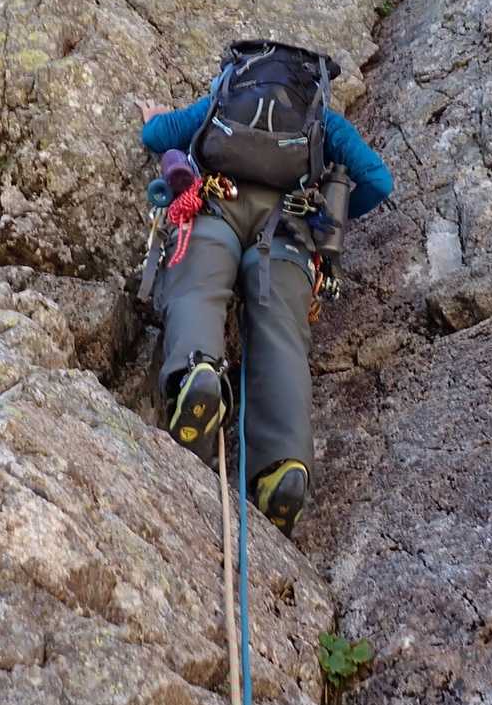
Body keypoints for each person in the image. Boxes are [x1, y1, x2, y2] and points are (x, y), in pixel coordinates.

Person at [138, 39, 392, 537]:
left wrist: (153, 119)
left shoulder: (225, 96)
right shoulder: (322, 120)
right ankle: (283, 464)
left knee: (197, 288)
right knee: (281, 336)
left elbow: (158, 135)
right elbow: (377, 181)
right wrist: (327, 217)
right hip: (288, 234)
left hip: (215, 206)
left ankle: (198, 372)